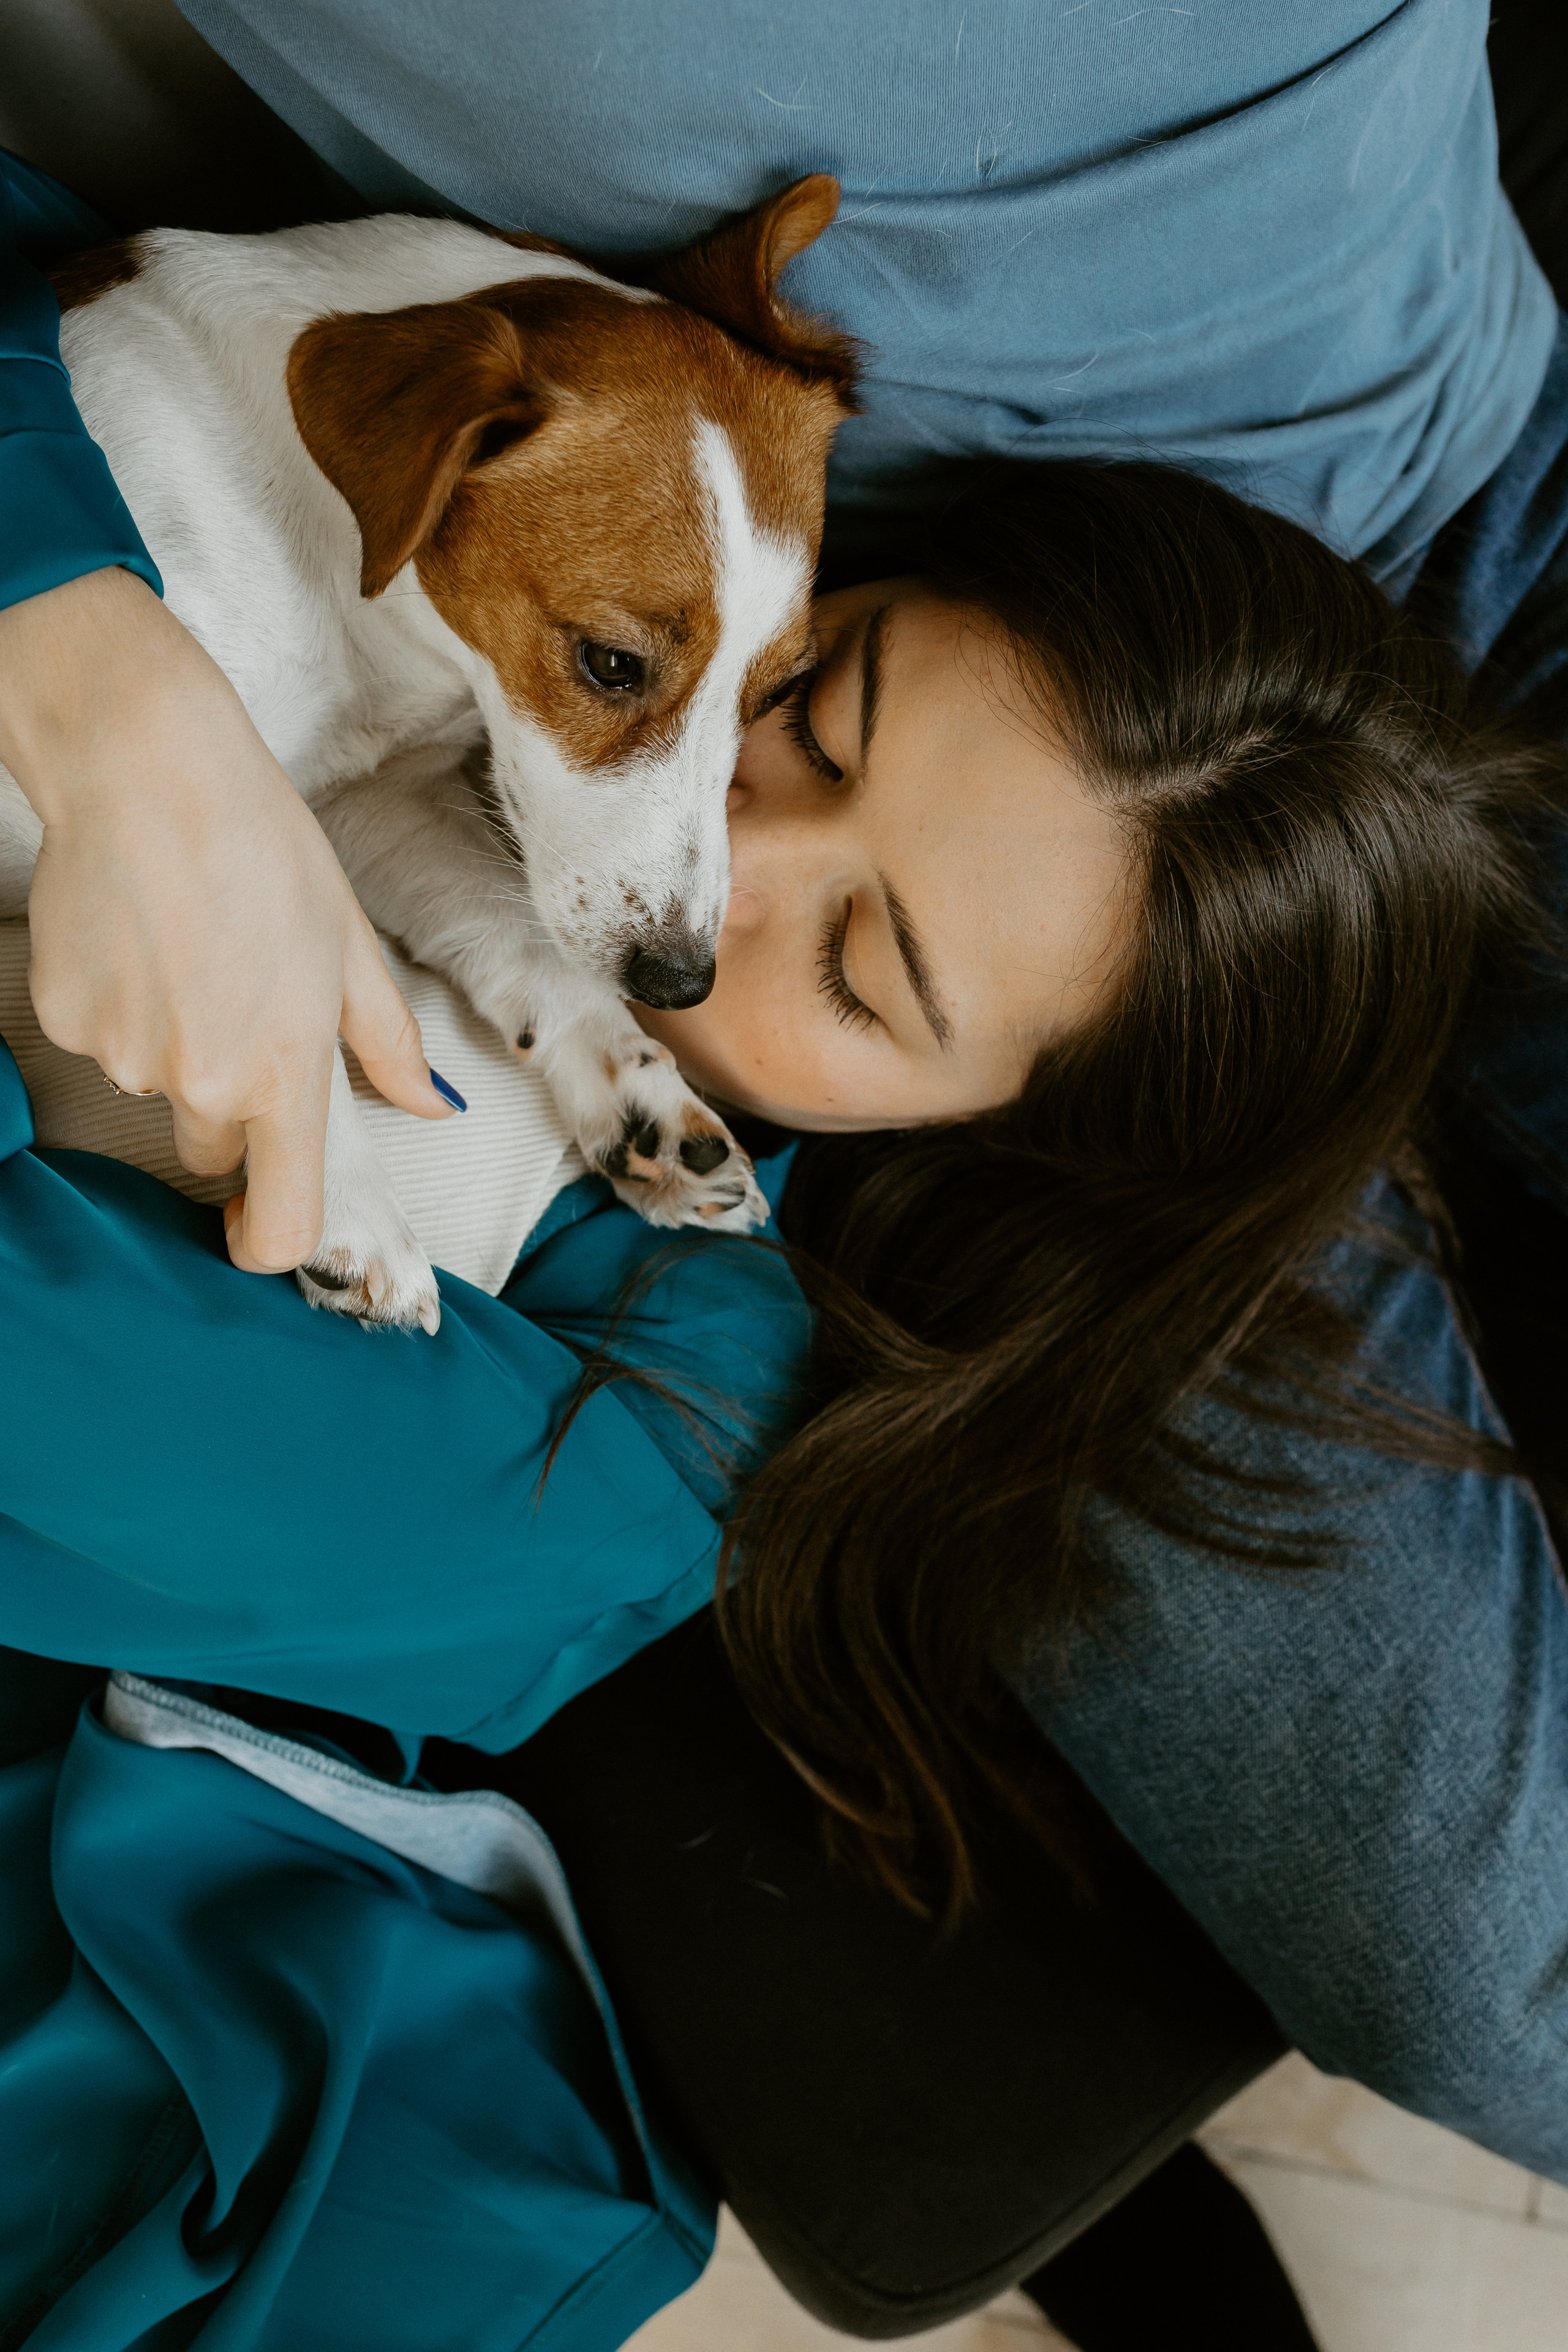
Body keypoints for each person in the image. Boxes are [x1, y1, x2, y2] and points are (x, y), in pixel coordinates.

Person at [5, 1, 1568, 2343]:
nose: (708, 866)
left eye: (855, 964)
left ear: (967, 1129)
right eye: (798, 714)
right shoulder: (533, 612)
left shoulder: (614, 1450)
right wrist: (96, 668)